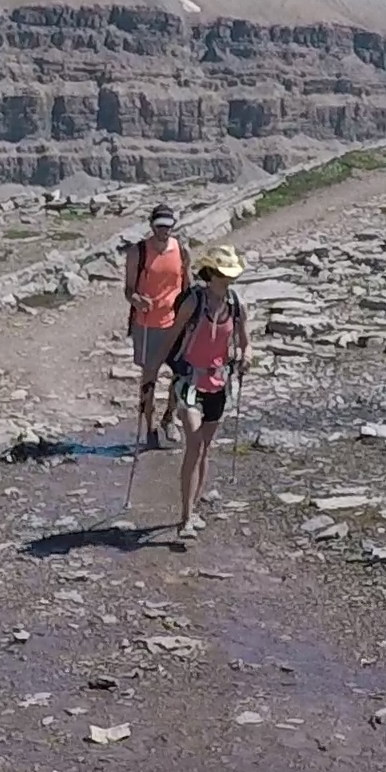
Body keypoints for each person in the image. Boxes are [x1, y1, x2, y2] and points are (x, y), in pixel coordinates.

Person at [142, 244, 250, 540]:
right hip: (188, 380)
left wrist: (246, 356)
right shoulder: (193, 302)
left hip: (218, 383)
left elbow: (245, 342)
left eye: (231, 275)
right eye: (224, 275)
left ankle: (193, 508)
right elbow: (172, 337)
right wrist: (153, 369)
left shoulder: (236, 305)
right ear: (210, 273)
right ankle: (186, 519)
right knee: (194, 442)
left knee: (205, 449)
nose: (229, 281)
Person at [123, 204, 189, 449]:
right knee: (149, 378)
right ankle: (150, 428)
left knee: (182, 374)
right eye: (159, 226)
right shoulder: (138, 252)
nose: (164, 231)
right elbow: (128, 290)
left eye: (168, 227)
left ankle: (169, 418)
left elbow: (186, 284)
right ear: (152, 225)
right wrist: (137, 300)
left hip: (175, 323)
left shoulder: (181, 250)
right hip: (147, 324)